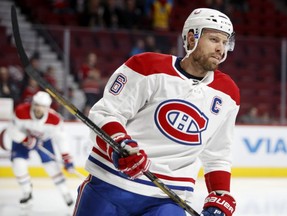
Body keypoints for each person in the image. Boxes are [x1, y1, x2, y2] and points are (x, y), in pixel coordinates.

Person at [73, 8, 239, 216]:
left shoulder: (228, 94)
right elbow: (106, 113)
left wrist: (220, 193)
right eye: (214, 39)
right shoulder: (146, 67)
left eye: (225, 42)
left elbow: (218, 153)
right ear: (191, 38)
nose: (221, 49)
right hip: (110, 185)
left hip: (168, 199)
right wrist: (119, 144)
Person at [0, 91, 75, 207]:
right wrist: (26, 140)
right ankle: (27, 192)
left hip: (44, 141)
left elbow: (62, 139)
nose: (38, 108)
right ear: (33, 103)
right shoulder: (21, 111)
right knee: (18, 164)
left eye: (42, 106)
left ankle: (65, 193)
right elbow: (12, 130)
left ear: (47, 107)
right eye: (36, 104)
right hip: (22, 139)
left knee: (52, 167)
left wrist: (67, 158)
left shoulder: (55, 119)